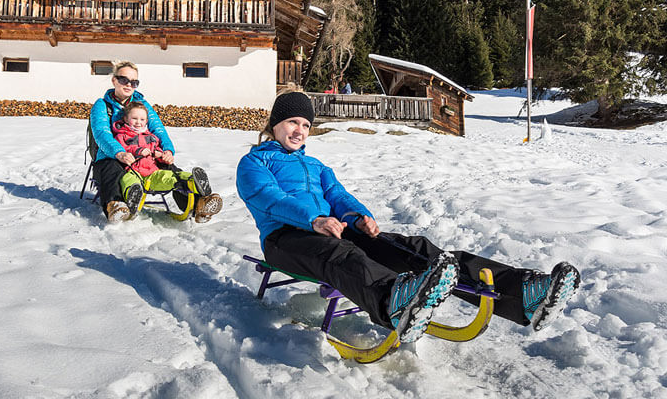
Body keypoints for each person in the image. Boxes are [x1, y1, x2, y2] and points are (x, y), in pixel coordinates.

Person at [236, 90, 581, 343]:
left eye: (306, 124)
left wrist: (359, 217)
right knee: (343, 255)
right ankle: (394, 304)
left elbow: (338, 197)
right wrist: (313, 219)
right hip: (286, 238)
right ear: (276, 124)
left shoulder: (316, 165)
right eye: (292, 122)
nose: (299, 130)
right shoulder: (254, 162)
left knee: (414, 250)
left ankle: (523, 294)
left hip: (332, 228)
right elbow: (270, 198)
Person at [90, 61, 222, 222]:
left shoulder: (143, 105)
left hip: (145, 154)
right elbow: (102, 134)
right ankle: (115, 205)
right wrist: (120, 153)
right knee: (114, 170)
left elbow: (158, 129)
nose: (129, 84)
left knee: (171, 170)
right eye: (124, 79)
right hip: (111, 155)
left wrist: (167, 150)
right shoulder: (102, 105)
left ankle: (199, 204)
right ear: (114, 80)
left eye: (134, 82)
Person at [112, 101, 216, 214]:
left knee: (171, 177)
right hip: (133, 171)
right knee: (128, 181)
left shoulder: (151, 137)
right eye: (134, 118)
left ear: (146, 121)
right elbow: (122, 148)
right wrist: (137, 151)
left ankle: (194, 182)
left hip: (152, 173)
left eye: (142, 119)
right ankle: (133, 198)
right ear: (126, 119)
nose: (138, 122)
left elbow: (157, 149)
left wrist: (161, 155)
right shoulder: (122, 135)